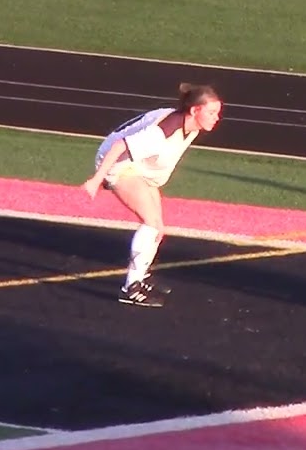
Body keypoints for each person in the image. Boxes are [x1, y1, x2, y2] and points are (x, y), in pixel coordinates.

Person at [81, 83, 223, 308]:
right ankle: (131, 288)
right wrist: (96, 179)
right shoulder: (164, 132)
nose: (217, 118)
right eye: (212, 112)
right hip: (118, 164)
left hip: (139, 166)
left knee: (158, 228)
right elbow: (119, 146)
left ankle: (139, 277)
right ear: (195, 110)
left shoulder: (191, 126)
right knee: (151, 224)